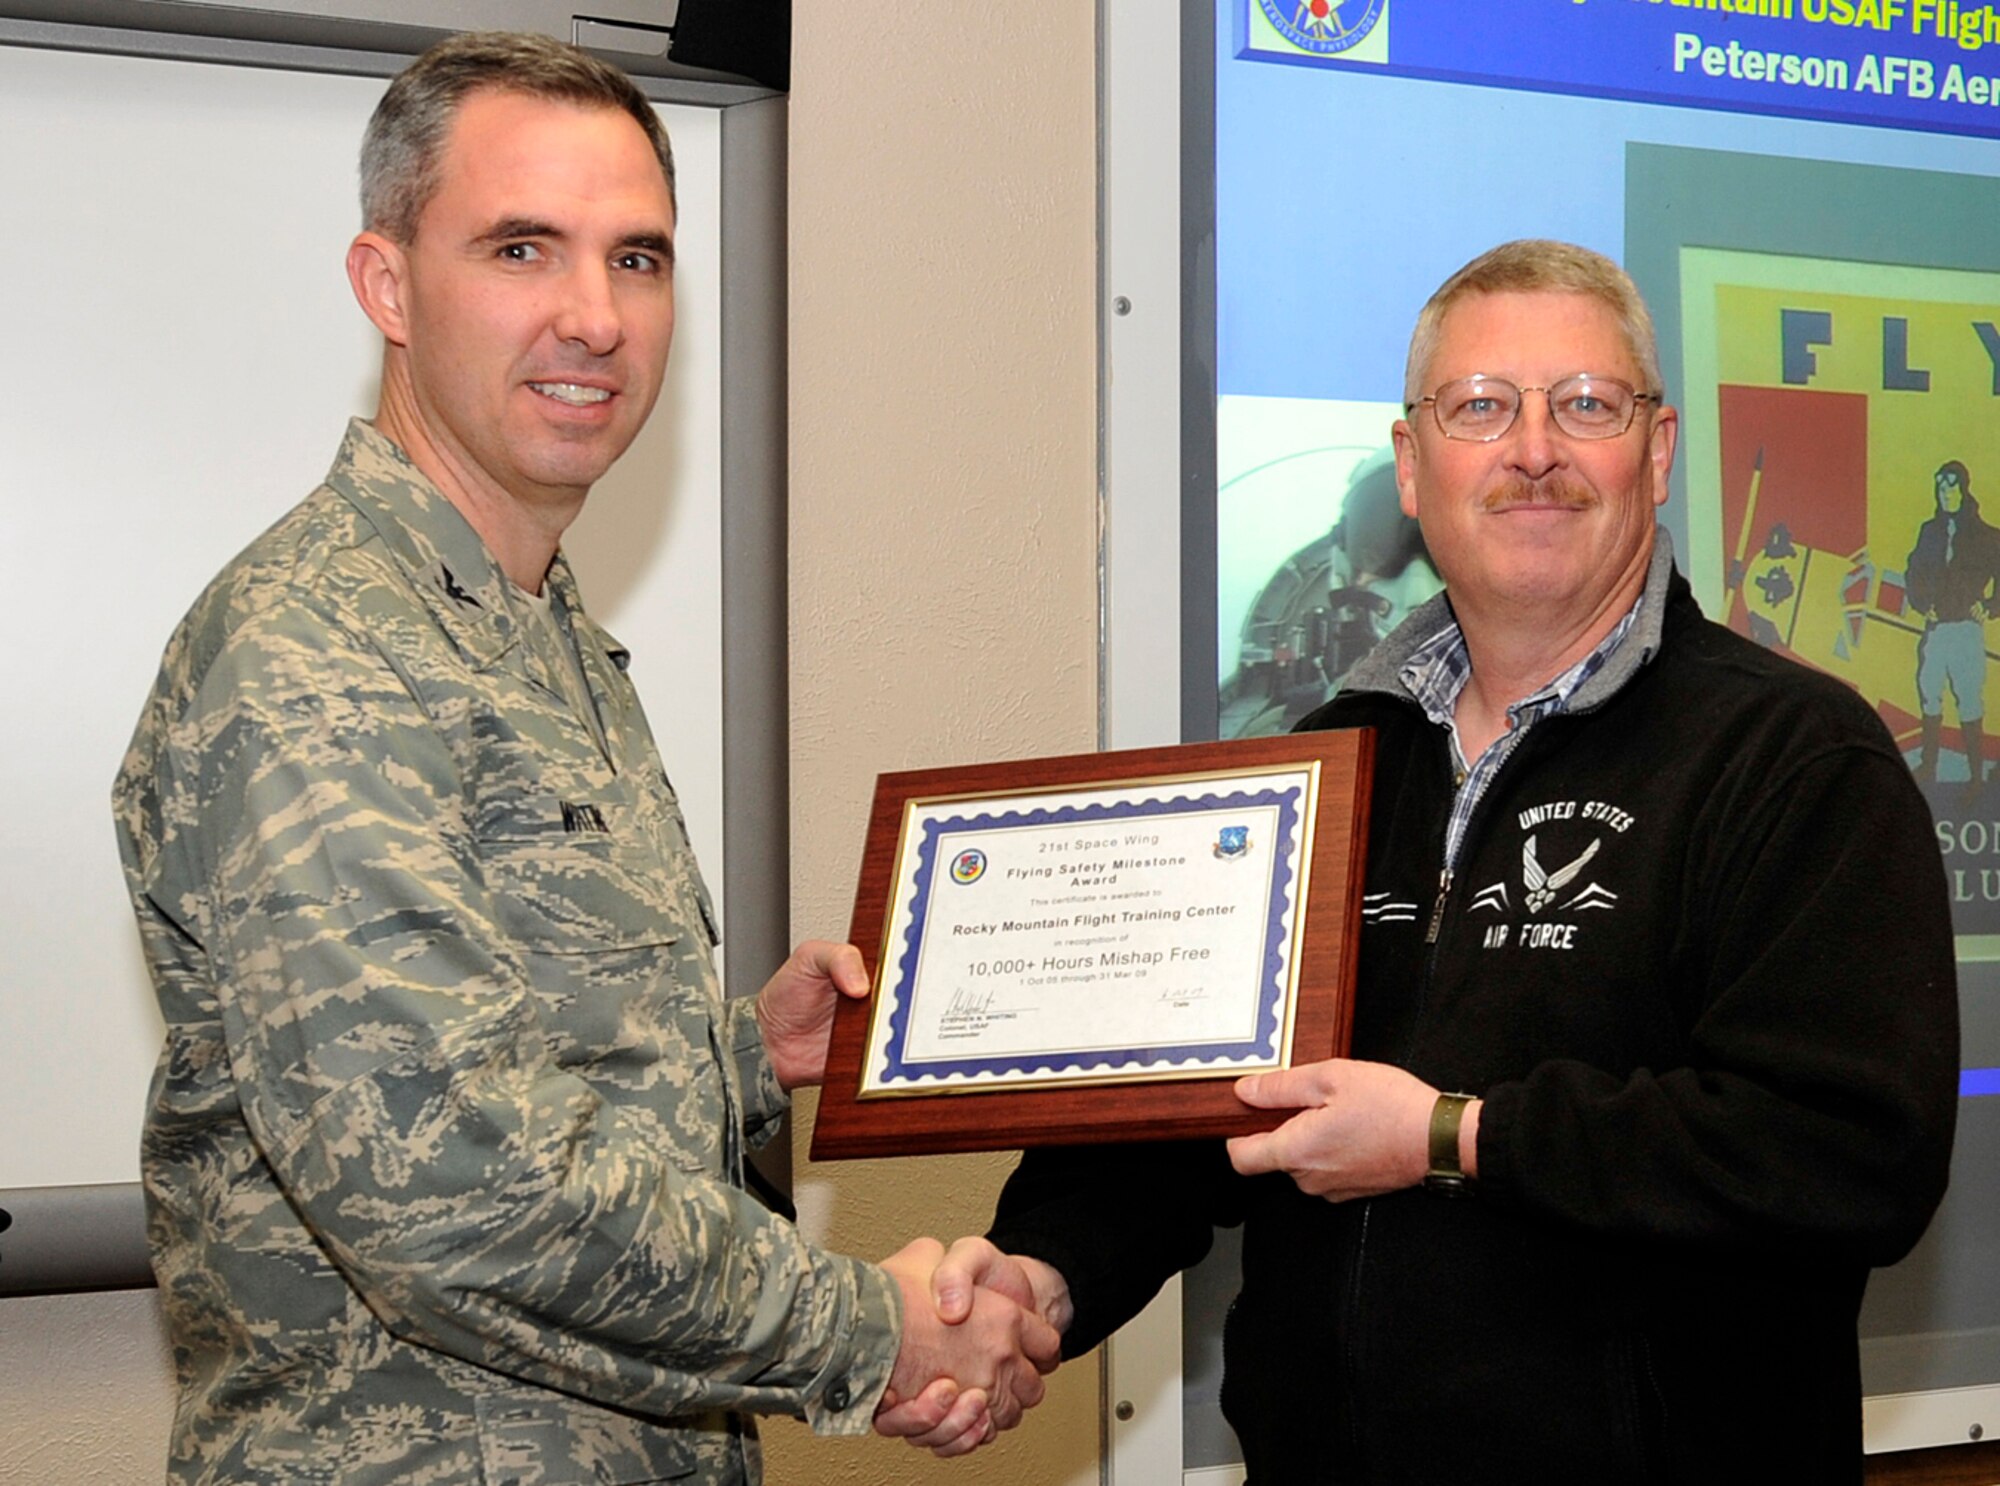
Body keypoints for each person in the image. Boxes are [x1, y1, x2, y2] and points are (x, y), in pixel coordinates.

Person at [113, 32, 1051, 1485]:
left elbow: (515, 1054)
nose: (593, 317)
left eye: (639, 260)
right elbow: (453, 1187)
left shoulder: (531, 624)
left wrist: (744, 1054)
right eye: (522, 248)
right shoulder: (315, 652)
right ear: (387, 285)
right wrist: (878, 1332)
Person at [894, 240, 1961, 1480]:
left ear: (1656, 451)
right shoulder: (1314, 766)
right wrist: (1037, 1277)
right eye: (1478, 408)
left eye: (1585, 405)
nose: (1532, 450)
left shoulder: (1791, 757)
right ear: (1410, 465)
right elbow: (1191, 1115)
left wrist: (1454, 1136)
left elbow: (1847, 1155)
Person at [1906, 458, 1999, 785]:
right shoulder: (1929, 532)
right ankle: (1929, 767)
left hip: (1965, 631)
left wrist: (1991, 606)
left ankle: (1976, 777)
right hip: (1935, 630)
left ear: (1963, 488)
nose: (1945, 494)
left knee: (1969, 699)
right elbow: (1913, 571)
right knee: (1929, 693)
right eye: (1940, 488)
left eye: (1951, 487)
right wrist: (1920, 604)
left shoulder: (1986, 535)